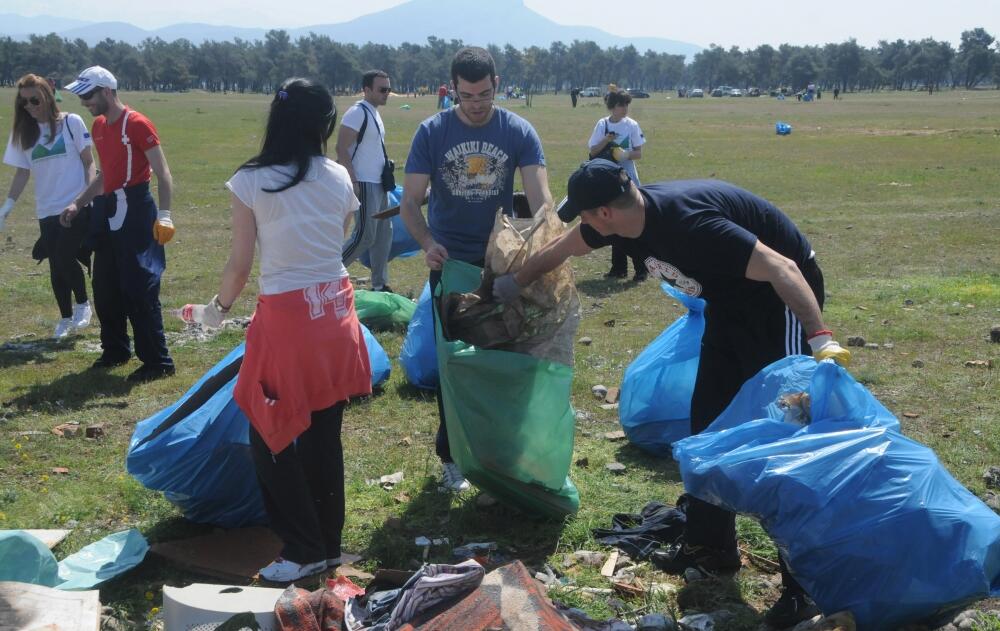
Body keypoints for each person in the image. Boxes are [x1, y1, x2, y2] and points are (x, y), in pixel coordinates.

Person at [492, 159, 851, 628]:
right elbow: (565, 246)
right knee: (706, 424)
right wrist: (514, 281)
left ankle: (804, 588)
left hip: (778, 302)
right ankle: (711, 546)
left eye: (585, 213)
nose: (585, 224)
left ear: (604, 212)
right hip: (730, 304)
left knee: (781, 439)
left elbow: (783, 267)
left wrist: (820, 339)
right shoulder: (623, 220)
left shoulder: (690, 225)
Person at [189, 78, 372, 582]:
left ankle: (302, 547)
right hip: (336, 311)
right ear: (325, 124)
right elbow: (333, 242)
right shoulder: (339, 175)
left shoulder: (251, 181)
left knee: (268, 430)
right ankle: (327, 546)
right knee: (323, 434)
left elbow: (240, 265)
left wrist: (217, 309)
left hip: (289, 320)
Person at [400, 46, 553, 493]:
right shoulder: (432, 132)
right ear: (452, 90)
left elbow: (541, 198)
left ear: (496, 85)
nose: (476, 104)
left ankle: (501, 451)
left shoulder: (517, 130)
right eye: (466, 96)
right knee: (454, 362)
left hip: (499, 262)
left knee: (504, 355)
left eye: (484, 94)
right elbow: (409, 202)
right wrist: (428, 243)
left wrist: (536, 241)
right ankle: (451, 456)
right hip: (450, 265)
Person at [62, 66, 176, 382]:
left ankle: (158, 362)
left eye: (88, 95)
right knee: (105, 287)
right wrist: (78, 203)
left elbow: (163, 173)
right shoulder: (99, 126)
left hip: (136, 209)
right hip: (108, 210)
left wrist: (165, 215)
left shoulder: (137, 124)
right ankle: (116, 350)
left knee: (139, 288)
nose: (84, 102)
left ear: (107, 91)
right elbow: (105, 176)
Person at [2, 73, 95, 338]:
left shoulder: (71, 122)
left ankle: (83, 304)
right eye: (24, 102)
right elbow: (22, 173)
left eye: (34, 100)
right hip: (46, 209)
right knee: (56, 265)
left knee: (64, 256)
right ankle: (65, 318)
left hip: (75, 205)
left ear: (47, 95)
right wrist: (7, 206)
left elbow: (89, 162)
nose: (29, 106)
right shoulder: (23, 132)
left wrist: (86, 197)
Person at [336, 69, 394, 292]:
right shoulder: (357, 113)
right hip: (364, 182)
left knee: (383, 235)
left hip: (379, 183)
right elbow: (341, 148)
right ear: (367, 89)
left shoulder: (374, 112)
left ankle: (380, 284)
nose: (386, 93)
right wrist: (353, 181)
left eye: (388, 89)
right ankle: (327, 272)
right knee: (365, 236)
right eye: (382, 89)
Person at [588, 90, 646, 282]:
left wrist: (625, 155)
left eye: (627, 104)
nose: (625, 109)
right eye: (621, 105)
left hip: (629, 182)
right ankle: (618, 268)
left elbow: (639, 153)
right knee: (614, 224)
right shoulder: (602, 124)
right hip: (609, 182)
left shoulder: (632, 125)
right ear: (612, 106)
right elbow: (592, 152)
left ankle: (641, 269)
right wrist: (606, 140)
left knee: (633, 225)